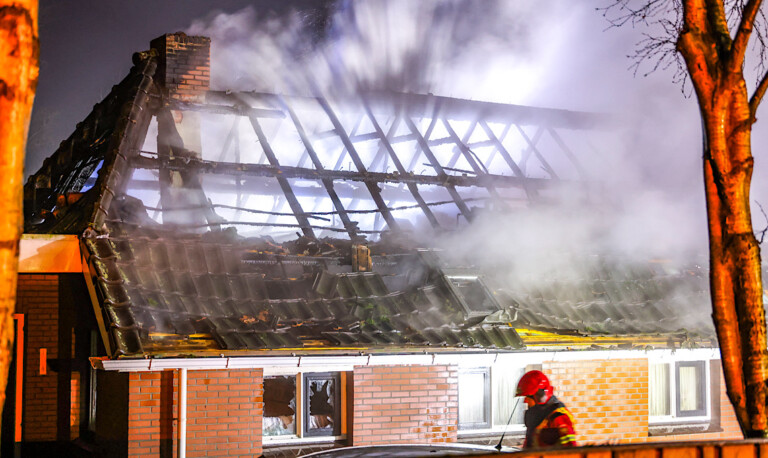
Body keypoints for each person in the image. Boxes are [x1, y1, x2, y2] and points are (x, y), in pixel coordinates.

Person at [516, 370, 577, 449]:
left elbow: (570, 451)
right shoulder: (537, 417)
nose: (525, 401)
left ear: (539, 395)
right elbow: (530, 443)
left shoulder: (559, 417)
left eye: (528, 396)